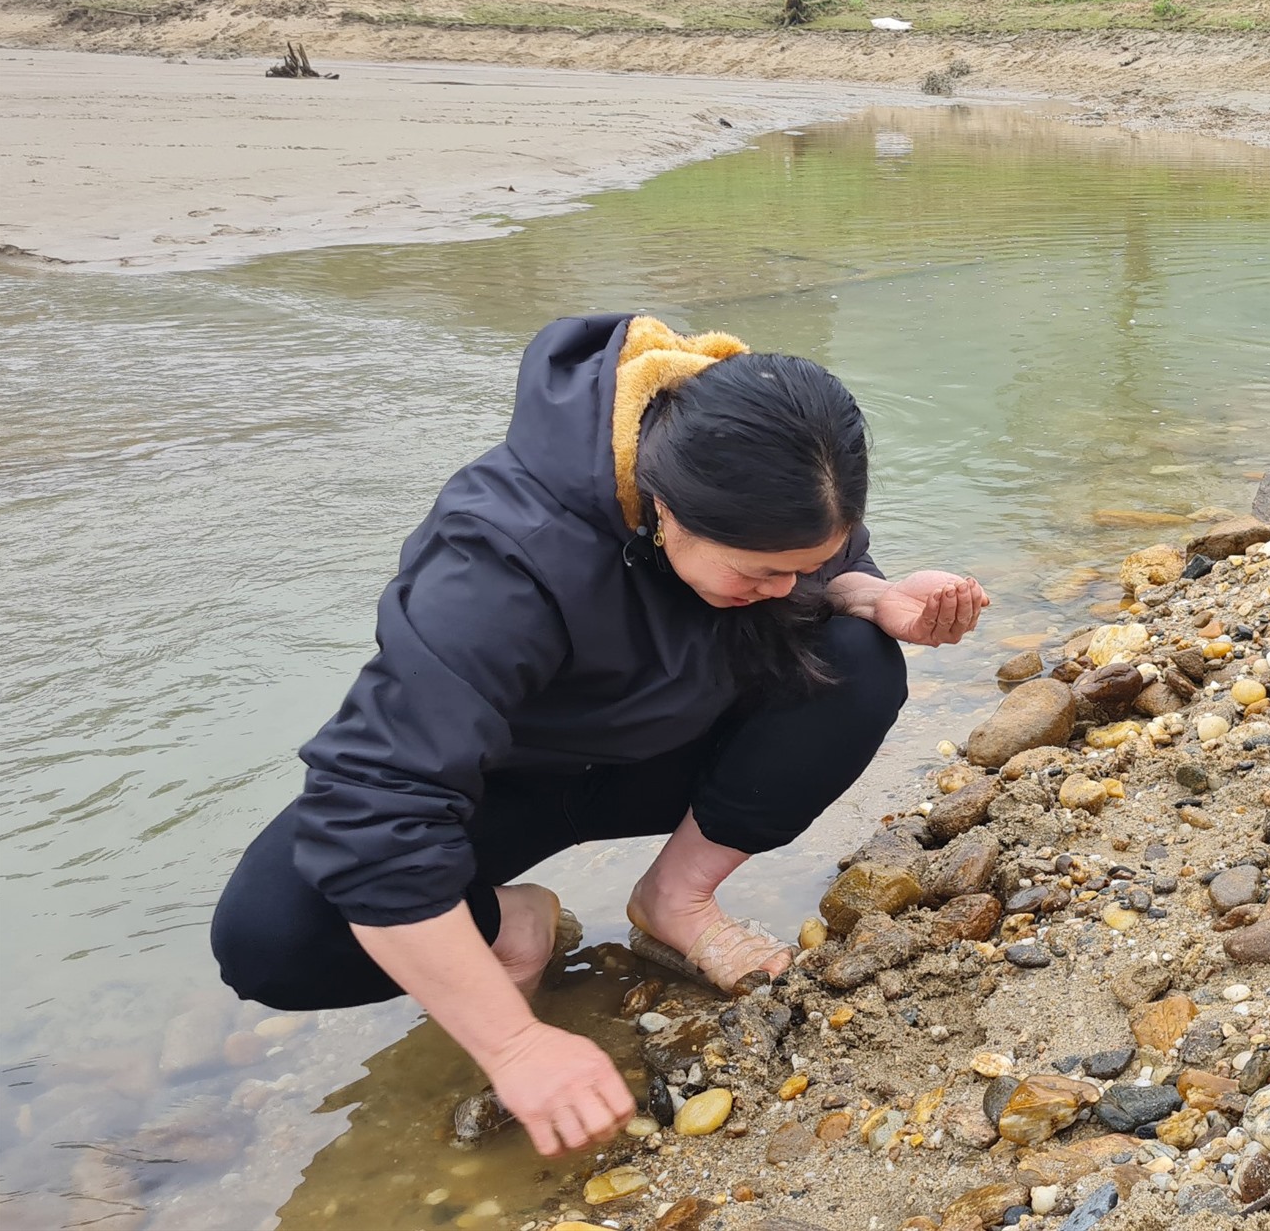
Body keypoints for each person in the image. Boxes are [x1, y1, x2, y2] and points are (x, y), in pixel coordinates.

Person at [211, 313, 988, 1157]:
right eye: (764, 572)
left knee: (858, 660)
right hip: (504, 781)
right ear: (665, 507)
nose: (791, 585)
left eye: (812, 560)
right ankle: (514, 923)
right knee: (272, 941)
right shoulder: (497, 556)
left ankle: (675, 898)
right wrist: (511, 1042)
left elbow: (818, 577)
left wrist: (869, 595)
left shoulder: (773, 471)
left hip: (663, 753)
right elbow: (368, 811)